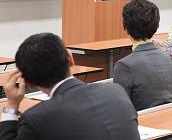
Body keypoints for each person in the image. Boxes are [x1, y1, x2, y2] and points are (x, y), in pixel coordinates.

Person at [0, 33, 140, 140]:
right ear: (71, 58)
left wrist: (12, 105)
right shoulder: (116, 91)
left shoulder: (36, 119)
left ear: (28, 83)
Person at [114, 0, 172, 111]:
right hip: (168, 120)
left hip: (140, 125)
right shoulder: (165, 57)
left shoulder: (124, 65)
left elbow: (119, 109)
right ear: (156, 26)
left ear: (126, 28)